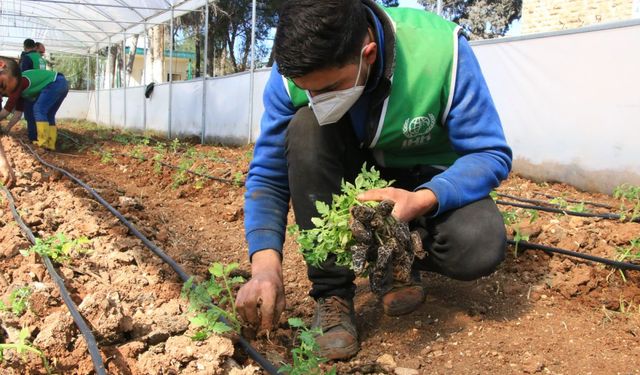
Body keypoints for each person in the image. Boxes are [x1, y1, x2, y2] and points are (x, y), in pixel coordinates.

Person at [237, 0, 512, 360]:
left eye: (329, 88)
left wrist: (425, 198)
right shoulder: (292, 73)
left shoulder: (441, 51)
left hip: (424, 179)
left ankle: (402, 258)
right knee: (305, 128)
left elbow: (490, 153)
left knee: (478, 245)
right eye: (308, 91)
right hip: (354, 177)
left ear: (367, 54)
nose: (316, 100)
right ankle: (332, 293)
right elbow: (269, 173)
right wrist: (265, 267)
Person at [0, 56, 68, 151]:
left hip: (55, 83)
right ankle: (50, 143)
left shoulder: (17, 83)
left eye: (3, 86)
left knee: (38, 109)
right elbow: (18, 114)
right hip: (61, 82)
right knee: (49, 114)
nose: (6, 93)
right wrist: (7, 129)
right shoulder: (19, 90)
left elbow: (7, 110)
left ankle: (43, 143)